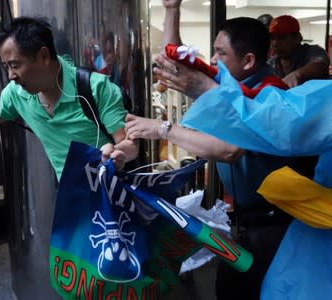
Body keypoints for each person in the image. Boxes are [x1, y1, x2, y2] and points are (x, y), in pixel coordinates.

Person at [126, 2, 315, 299]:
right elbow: (175, 65)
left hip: (270, 226)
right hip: (239, 223)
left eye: (221, 53)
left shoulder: (269, 93)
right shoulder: (229, 87)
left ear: (249, 60)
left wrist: (163, 130)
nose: (212, 59)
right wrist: (171, 9)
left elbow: (229, 150)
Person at [0, 17, 138, 181]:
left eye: (15, 65)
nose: (11, 76)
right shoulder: (16, 93)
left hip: (110, 193)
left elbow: (130, 144)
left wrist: (116, 154)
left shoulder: (96, 89)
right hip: (71, 197)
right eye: (6, 67)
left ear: (44, 56)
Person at [268, 15, 329, 87]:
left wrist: (297, 74)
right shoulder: (271, 64)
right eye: (272, 38)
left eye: (281, 38)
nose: (275, 43)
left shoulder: (312, 51)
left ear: (298, 38)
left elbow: (321, 64)